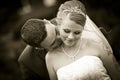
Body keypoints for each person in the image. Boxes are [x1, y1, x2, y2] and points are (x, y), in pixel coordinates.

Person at [45, 0, 120, 80]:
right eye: (66, 31)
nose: (71, 37)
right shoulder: (50, 58)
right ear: (58, 25)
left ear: (83, 29)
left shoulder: (96, 46)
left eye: (77, 33)